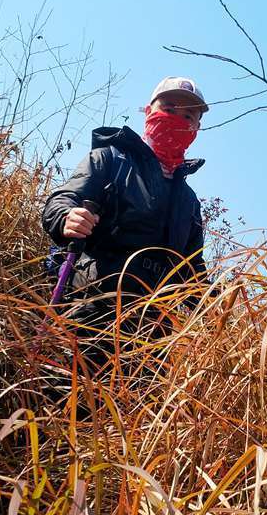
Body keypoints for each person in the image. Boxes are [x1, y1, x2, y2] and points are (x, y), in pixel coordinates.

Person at [41, 76, 210, 377]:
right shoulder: (109, 159)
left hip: (152, 333)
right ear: (148, 111)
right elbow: (62, 200)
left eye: (188, 116)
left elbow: (192, 270)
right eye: (169, 108)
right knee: (67, 403)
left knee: (134, 419)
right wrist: (68, 217)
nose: (177, 119)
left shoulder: (189, 201)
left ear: (196, 129)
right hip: (91, 307)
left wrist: (218, 306)